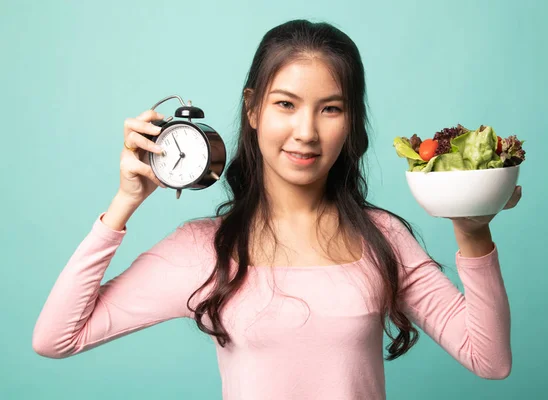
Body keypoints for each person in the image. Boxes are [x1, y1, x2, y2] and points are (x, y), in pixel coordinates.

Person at [32, 19, 519, 400]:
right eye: (286, 104)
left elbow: (490, 359)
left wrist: (473, 231)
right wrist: (124, 203)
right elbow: (56, 338)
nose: (306, 131)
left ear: (351, 122)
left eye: (330, 108)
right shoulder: (203, 248)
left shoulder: (382, 236)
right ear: (253, 109)